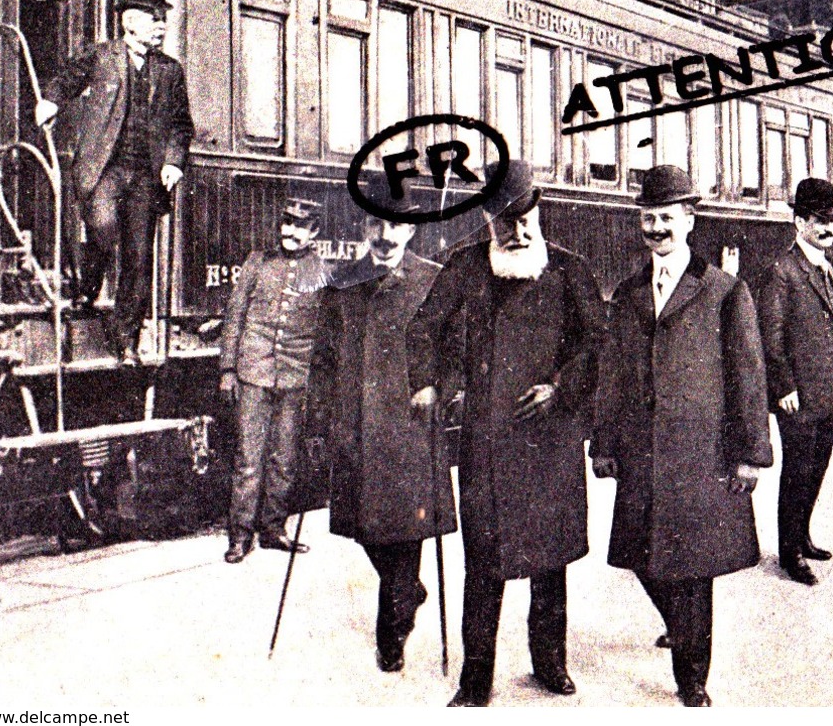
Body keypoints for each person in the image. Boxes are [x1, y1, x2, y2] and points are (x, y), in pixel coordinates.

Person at [406, 161, 604, 706]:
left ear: (540, 211)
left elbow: (597, 345)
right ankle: (476, 680)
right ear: (488, 222)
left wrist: (560, 389)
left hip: (550, 440)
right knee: (484, 566)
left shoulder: (569, 270)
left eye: (525, 220)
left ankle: (551, 663)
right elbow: (426, 327)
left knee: (550, 564)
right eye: (505, 224)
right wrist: (430, 382)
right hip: (486, 443)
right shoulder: (467, 266)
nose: (517, 233)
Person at [590, 165, 773, 707]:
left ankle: (692, 682)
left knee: (693, 574)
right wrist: (602, 444)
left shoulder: (725, 292)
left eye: (667, 217)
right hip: (643, 456)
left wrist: (751, 455)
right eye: (648, 218)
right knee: (644, 559)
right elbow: (613, 374)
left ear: (690, 219)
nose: (656, 228)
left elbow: (749, 377)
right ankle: (681, 627)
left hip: (702, 457)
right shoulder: (626, 293)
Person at [308, 194, 453, 675]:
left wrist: (439, 386)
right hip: (353, 424)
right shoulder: (342, 283)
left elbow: (458, 349)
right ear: (365, 228)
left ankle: (390, 639)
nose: (388, 235)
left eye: (399, 226)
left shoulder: (433, 280)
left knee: (404, 532)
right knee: (366, 529)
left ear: (412, 231)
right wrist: (320, 420)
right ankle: (408, 591)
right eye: (378, 224)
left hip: (408, 427)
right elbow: (323, 361)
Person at [36, 0, 194, 362]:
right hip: (104, 168)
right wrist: (50, 102)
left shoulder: (170, 70)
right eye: (154, 19)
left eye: (163, 20)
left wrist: (173, 162)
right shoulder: (101, 55)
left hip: (145, 177)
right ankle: (86, 288)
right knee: (104, 230)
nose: (161, 26)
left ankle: (126, 340)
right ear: (129, 22)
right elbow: (66, 80)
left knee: (138, 259)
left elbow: (181, 125)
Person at [219, 198, 328, 564]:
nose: (289, 232)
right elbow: (235, 316)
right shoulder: (257, 262)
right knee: (248, 459)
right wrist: (227, 370)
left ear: (313, 232)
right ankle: (239, 536)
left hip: (295, 376)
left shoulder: (320, 270)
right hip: (254, 372)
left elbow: (325, 330)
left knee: (284, 458)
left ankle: (274, 530)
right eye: (286, 223)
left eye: (299, 226)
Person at [759, 178, 833, 584]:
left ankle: (803, 535)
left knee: (817, 465)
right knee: (797, 470)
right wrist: (784, 388)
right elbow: (770, 336)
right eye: (819, 220)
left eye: (832, 220)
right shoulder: (782, 272)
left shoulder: (824, 267)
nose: (829, 228)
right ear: (799, 222)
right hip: (798, 393)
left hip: (826, 389)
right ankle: (789, 552)